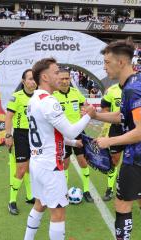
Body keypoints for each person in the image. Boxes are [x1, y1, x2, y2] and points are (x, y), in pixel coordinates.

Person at [92, 39, 141, 240]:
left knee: (122, 203)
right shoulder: (134, 82)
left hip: (140, 157)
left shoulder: (133, 88)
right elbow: (124, 117)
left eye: (107, 62)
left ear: (121, 62)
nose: (104, 66)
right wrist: (95, 115)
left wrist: (109, 141)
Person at [23, 58, 94, 240]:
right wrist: (89, 116)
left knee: (40, 204)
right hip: (51, 166)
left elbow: (48, 133)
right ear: (45, 77)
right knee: (58, 214)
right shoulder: (49, 102)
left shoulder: (33, 100)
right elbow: (71, 130)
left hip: (38, 163)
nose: (59, 76)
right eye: (56, 72)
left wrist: (73, 144)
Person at [53, 69, 94, 203]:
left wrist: (85, 110)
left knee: (83, 162)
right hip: (61, 134)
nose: (65, 81)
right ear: (57, 79)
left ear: (70, 79)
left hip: (78, 132)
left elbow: (86, 106)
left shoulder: (76, 93)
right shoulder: (52, 96)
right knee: (64, 164)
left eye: (67, 78)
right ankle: (63, 191)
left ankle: (86, 190)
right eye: (62, 78)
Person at [4, 69, 36, 215]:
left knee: (31, 168)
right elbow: (8, 117)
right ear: (23, 82)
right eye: (29, 79)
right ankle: (12, 201)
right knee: (21, 170)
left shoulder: (40, 96)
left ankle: (30, 196)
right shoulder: (16, 97)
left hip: (35, 135)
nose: (32, 81)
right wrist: (8, 136)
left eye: (34, 78)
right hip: (21, 135)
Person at [100, 83, 124, 201]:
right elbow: (104, 109)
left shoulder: (136, 87)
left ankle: (129, 188)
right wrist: (110, 119)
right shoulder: (112, 90)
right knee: (114, 160)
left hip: (133, 128)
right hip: (116, 129)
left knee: (133, 160)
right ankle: (110, 188)